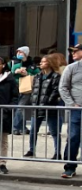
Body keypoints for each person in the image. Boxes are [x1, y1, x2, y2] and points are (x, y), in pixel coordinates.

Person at [24, 53, 63, 159]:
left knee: (54, 131)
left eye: (44, 61)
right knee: (33, 130)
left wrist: (48, 101)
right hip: (36, 107)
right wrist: (33, 100)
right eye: (41, 61)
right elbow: (34, 90)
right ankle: (31, 150)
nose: (41, 63)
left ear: (50, 63)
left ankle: (57, 153)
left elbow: (56, 91)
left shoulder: (56, 76)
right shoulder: (37, 76)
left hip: (49, 107)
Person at [59, 43, 82, 178]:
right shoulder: (71, 68)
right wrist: (71, 104)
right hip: (77, 110)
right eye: (71, 51)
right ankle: (70, 166)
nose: (73, 53)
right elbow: (63, 88)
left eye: (76, 51)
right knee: (73, 137)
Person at [10, 46, 35, 135]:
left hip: (26, 88)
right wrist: (15, 72)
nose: (18, 54)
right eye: (18, 52)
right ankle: (21, 127)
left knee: (20, 108)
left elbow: (36, 73)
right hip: (16, 87)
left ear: (25, 53)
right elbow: (9, 73)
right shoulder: (14, 63)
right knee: (19, 108)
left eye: (21, 52)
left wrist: (27, 73)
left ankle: (15, 127)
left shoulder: (31, 65)